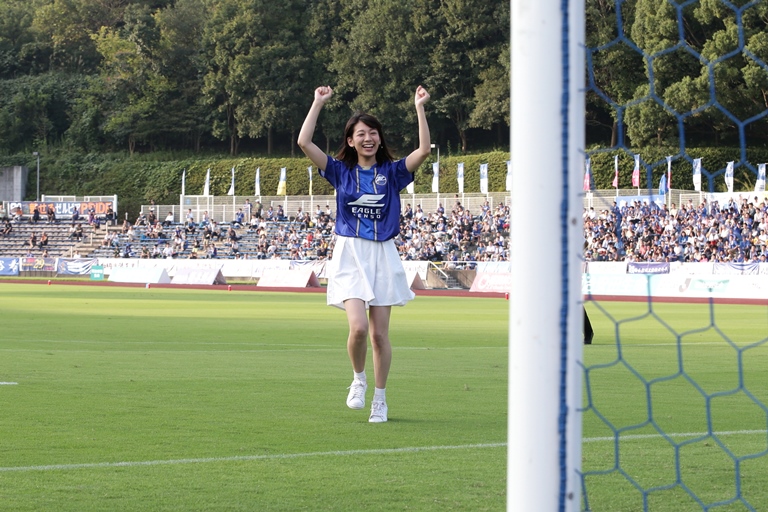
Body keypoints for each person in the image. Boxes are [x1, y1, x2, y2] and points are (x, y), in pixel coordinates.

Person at [298, 84, 431, 423]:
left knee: (379, 335)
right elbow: (304, 143)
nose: (368, 138)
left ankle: (380, 400)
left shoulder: (393, 173)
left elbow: (424, 150)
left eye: (373, 133)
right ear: (351, 140)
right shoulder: (340, 171)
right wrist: (317, 103)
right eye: (361, 134)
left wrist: (419, 108)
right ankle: (358, 379)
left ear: (380, 139)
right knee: (358, 328)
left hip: (383, 254)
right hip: (349, 252)